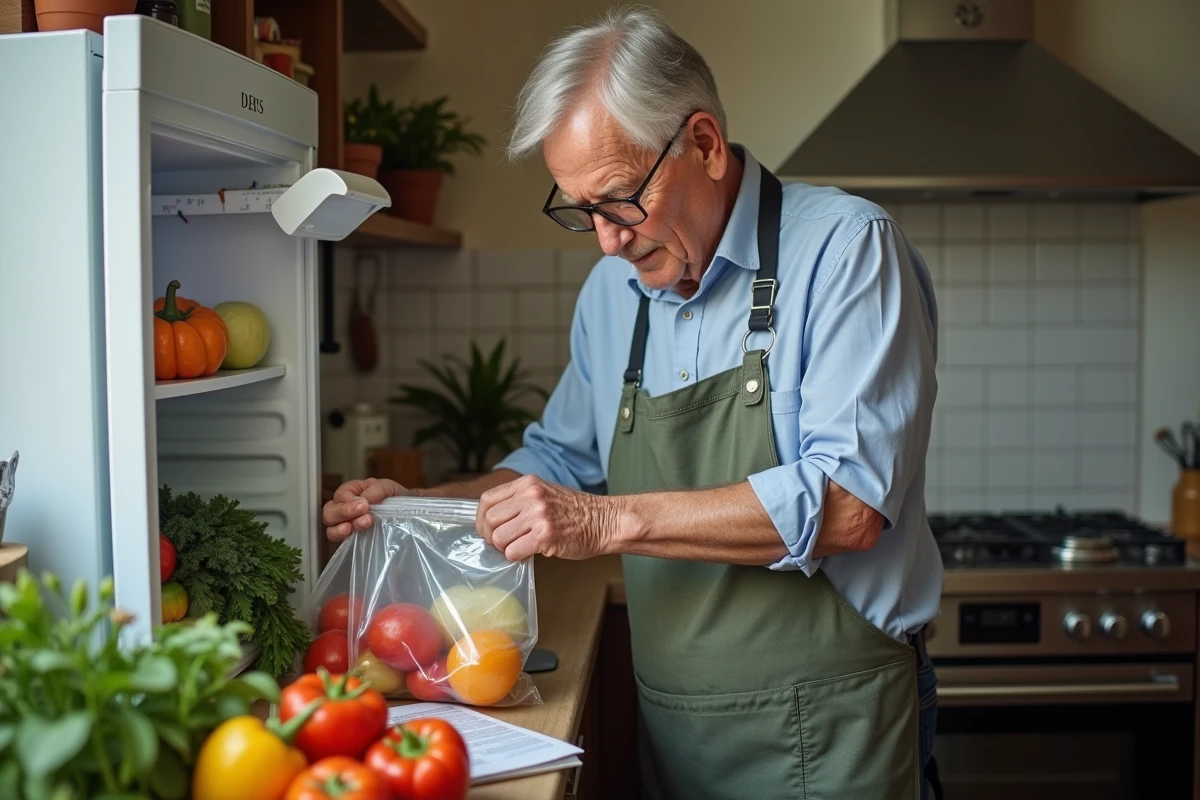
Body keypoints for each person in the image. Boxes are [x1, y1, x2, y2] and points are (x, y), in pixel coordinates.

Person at [323, 7, 944, 799]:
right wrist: (421, 505)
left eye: (619, 200)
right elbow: (557, 463)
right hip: (679, 729)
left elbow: (851, 506)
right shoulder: (614, 290)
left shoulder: (847, 250)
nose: (606, 240)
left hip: (835, 727)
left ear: (705, 145)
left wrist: (608, 521)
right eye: (579, 210)